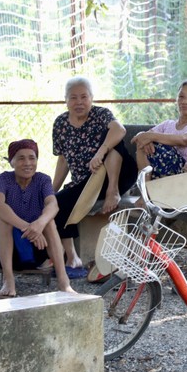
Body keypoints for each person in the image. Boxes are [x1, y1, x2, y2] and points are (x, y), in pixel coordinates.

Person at [52, 77, 138, 270]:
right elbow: (63, 159)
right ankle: (72, 258)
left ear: (92, 98)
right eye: (73, 98)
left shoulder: (101, 114)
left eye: (84, 97)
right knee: (57, 203)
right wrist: (51, 191)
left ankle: (113, 191)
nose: (79, 102)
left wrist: (101, 151)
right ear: (65, 100)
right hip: (86, 182)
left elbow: (119, 130)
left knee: (115, 144)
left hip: (116, 175)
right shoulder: (60, 123)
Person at [0, 139, 75, 298]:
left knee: (49, 222)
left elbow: (53, 205)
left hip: (38, 249)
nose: (27, 163)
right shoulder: (4, 179)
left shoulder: (42, 180)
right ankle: (8, 280)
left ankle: (63, 281)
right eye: (21, 158)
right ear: (12, 162)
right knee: (3, 220)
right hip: (7, 250)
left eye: (32, 158)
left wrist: (39, 224)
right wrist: (29, 227)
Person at [131, 79, 187, 179]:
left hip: (186, 172)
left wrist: (151, 137)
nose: (185, 101)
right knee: (142, 143)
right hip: (160, 172)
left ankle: (148, 191)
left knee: (155, 143)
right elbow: (143, 137)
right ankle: (146, 189)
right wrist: (144, 136)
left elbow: (186, 140)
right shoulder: (168, 124)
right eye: (181, 97)